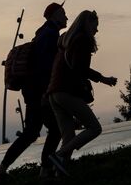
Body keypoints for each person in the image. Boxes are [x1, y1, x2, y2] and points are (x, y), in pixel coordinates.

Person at [0, 2, 67, 183]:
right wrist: (48, 91)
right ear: (55, 15)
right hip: (41, 92)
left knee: (31, 133)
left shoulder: (43, 34)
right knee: (55, 129)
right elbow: (45, 67)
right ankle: (45, 171)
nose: (66, 17)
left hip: (33, 91)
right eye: (63, 13)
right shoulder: (50, 35)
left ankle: (0, 171)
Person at [47, 10, 117, 176]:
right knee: (94, 128)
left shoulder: (66, 41)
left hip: (53, 94)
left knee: (68, 136)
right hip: (66, 92)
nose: (97, 30)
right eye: (95, 26)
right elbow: (80, 68)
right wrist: (102, 78)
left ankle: (59, 172)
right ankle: (59, 155)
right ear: (87, 24)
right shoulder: (82, 40)